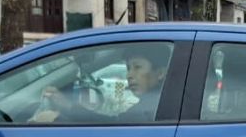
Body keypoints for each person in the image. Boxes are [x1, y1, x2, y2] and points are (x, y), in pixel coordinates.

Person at [37, 44, 170, 123]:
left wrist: (57, 119)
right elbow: (114, 124)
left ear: (160, 73)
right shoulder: (159, 105)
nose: (129, 75)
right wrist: (69, 107)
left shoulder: (150, 109)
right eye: (128, 68)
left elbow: (113, 130)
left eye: (137, 67)